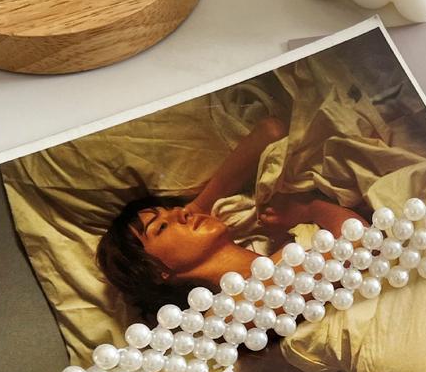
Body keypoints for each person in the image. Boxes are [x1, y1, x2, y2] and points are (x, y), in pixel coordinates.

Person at [95, 113, 368, 320]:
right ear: (156, 271)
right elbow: (361, 243)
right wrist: (308, 209)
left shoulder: (273, 257)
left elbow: (271, 131)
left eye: (174, 210)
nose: (179, 213)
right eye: (161, 227)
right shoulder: (231, 310)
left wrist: (199, 205)